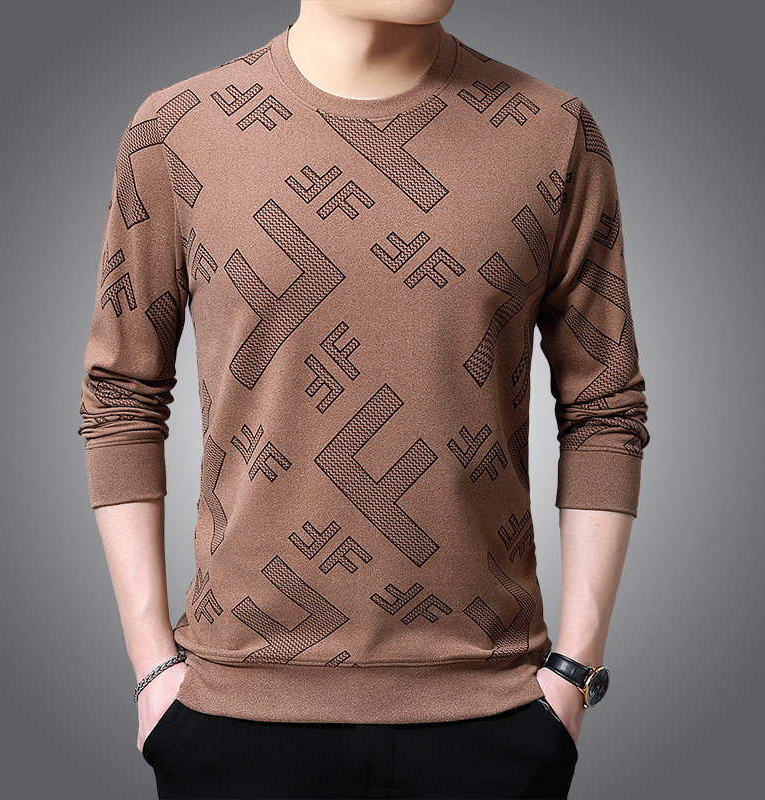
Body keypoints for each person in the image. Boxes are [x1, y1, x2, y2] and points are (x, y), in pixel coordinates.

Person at [77, 0, 650, 797]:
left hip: (493, 712)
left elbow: (604, 408)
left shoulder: (552, 133)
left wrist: (574, 671)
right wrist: (151, 666)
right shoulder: (177, 132)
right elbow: (121, 397)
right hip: (234, 712)